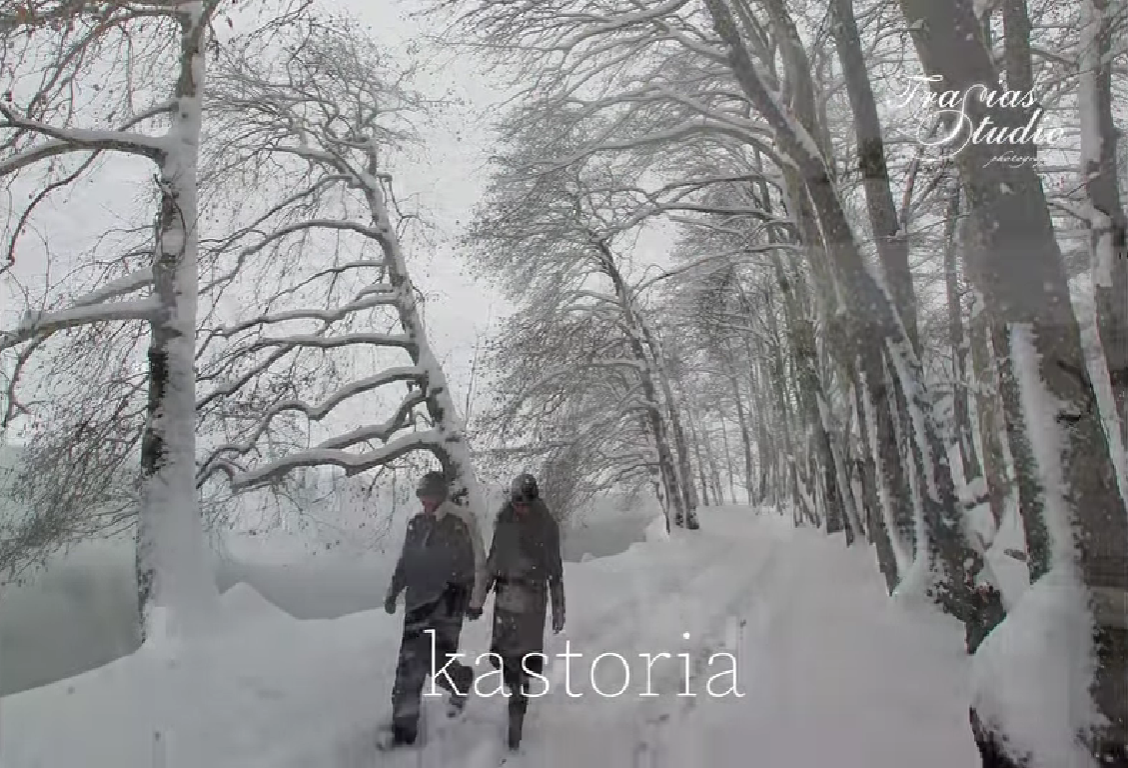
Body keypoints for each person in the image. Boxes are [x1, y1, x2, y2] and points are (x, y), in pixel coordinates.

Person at [381, 470, 485, 748]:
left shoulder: (460, 522)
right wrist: (394, 590)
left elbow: (477, 562)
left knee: (438, 662)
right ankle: (403, 732)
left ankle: (460, 680)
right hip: (417, 604)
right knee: (409, 667)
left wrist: (475, 601)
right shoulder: (416, 524)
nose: (426, 501)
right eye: (422, 495)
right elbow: (406, 561)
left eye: (431, 496)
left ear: (442, 495)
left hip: (448, 606)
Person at [482, 473, 565, 751]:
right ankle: (514, 692)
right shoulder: (504, 522)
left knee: (523, 665)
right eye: (516, 502)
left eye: (524, 503)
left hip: (532, 602)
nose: (520, 507)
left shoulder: (546, 526)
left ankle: (515, 725)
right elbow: (494, 560)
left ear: (533, 500)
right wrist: (479, 596)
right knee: (505, 662)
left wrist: (559, 607)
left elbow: (555, 570)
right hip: (505, 600)